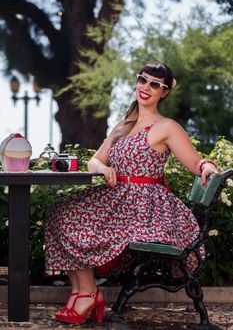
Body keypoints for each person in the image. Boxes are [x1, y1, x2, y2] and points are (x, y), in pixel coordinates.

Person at [45, 62, 219, 325]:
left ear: (164, 92)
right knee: (60, 213)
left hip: (145, 209)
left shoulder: (167, 126)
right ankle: (84, 291)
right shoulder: (123, 125)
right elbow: (94, 160)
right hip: (119, 199)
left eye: (155, 84)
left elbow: (195, 162)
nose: (146, 87)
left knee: (75, 220)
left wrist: (206, 166)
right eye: (143, 80)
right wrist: (104, 168)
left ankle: (87, 295)